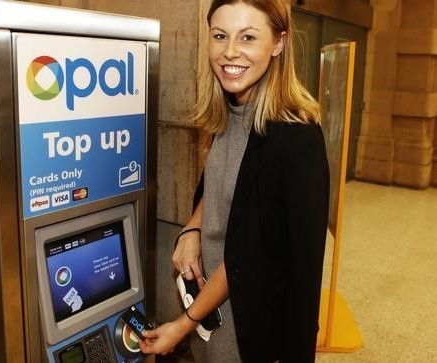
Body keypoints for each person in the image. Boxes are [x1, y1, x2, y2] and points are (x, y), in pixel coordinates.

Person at [140, 0, 329, 362]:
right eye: (220, 36)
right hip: (212, 313)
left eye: (248, 37)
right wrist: (192, 229)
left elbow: (251, 254)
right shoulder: (232, 109)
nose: (230, 52)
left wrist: (181, 326)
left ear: (278, 44)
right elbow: (222, 186)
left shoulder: (294, 138)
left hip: (246, 328)